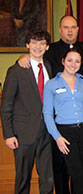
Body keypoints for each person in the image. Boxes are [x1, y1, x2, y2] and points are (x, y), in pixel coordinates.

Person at [17, 15, 83, 194]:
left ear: (78, 29)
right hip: (59, 126)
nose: (70, 30)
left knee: (82, 173)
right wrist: (23, 57)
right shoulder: (50, 50)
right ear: (60, 30)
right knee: (61, 171)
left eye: (73, 27)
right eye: (66, 27)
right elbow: (35, 56)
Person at [1, 30, 53, 194]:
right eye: (34, 42)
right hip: (23, 134)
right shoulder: (16, 70)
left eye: (42, 43)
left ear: (47, 47)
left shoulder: (49, 68)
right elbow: (6, 104)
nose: (38, 47)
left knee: (47, 177)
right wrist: (8, 134)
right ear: (27, 45)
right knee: (22, 178)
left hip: (47, 132)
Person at [43, 48, 83, 194]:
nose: (73, 64)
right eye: (70, 60)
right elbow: (47, 113)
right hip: (65, 133)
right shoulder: (51, 84)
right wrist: (57, 137)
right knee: (76, 173)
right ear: (63, 61)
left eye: (77, 61)